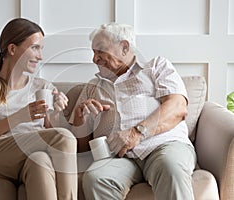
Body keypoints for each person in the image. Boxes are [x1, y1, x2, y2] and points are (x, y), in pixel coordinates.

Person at [70, 22, 196, 200]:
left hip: (163, 146)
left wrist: (137, 133)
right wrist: (79, 119)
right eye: (93, 53)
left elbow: (177, 107)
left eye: (100, 50)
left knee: (171, 167)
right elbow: (81, 148)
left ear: (124, 47)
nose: (94, 59)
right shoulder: (93, 87)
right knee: (95, 178)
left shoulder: (156, 67)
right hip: (118, 157)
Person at [0, 18, 77, 200]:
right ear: (12, 49)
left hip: (33, 153)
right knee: (64, 137)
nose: (40, 56)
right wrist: (19, 117)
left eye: (41, 49)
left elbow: (51, 134)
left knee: (40, 161)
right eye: (35, 48)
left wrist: (56, 112)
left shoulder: (44, 87)